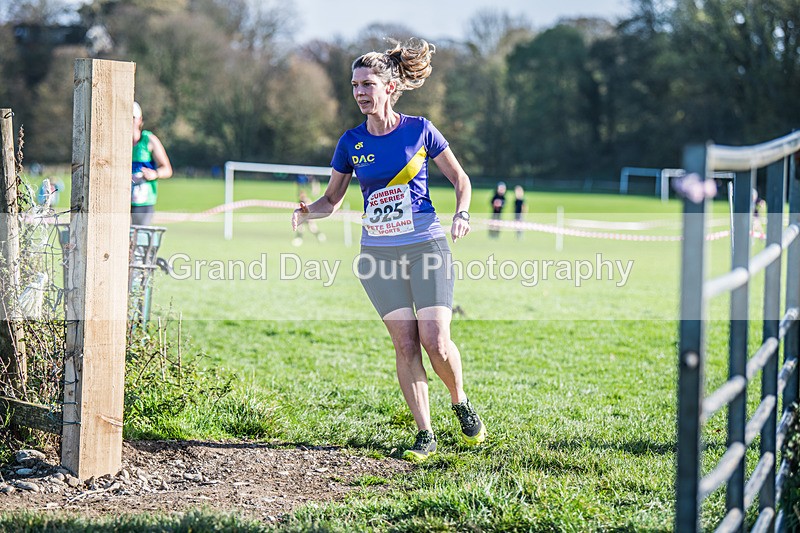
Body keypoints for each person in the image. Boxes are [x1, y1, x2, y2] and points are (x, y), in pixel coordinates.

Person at [291, 38, 486, 463]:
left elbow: (462, 180)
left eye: (367, 84)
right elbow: (332, 201)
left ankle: (460, 401)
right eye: (354, 85)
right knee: (405, 345)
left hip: (426, 244)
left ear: (390, 87)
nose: (360, 92)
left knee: (435, 340)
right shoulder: (350, 142)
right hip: (378, 254)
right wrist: (309, 212)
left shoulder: (420, 130)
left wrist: (463, 214)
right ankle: (425, 432)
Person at [131, 101, 172, 226]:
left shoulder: (149, 140)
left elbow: (167, 170)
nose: (129, 121)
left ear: (140, 120)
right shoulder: (115, 141)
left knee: (139, 241)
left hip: (143, 200)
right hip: (120, 198)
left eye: (132, 118)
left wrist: (154, 174)